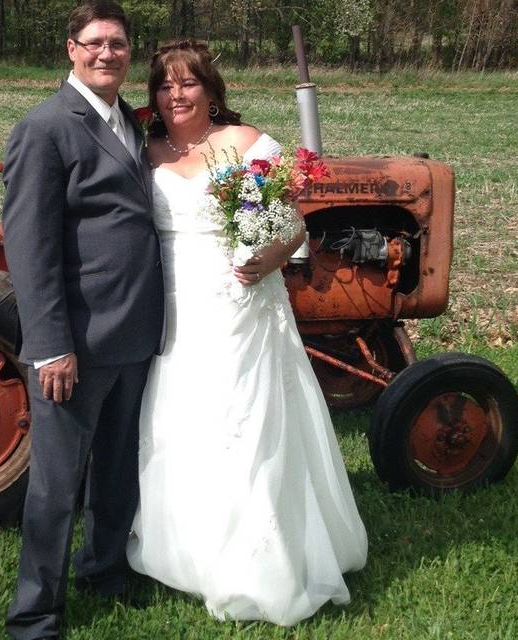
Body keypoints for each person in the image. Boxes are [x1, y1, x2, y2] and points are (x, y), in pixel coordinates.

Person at [125, 39, 368, 626]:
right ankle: (186, 546)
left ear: (210, 90)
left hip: (239, 300)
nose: (175, 95)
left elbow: (290, 229)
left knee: (246, 421)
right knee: (180, 421)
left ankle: (264, 560)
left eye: (187, 83)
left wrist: (269, 259)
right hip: (173, 308)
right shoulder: (144, 151)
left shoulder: (246, 145)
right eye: (163, 84)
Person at [0, 2, 163, 639]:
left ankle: (106, 572)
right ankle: (35, 615)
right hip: (76, 343)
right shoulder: (44, 128)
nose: (106, 54)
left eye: (118, 44)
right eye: (94, 43)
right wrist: (49, 347)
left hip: (135, 334)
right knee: (55, 486)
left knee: (119, 469)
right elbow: (30, 246)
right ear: (70, 49)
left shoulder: (127, 119)